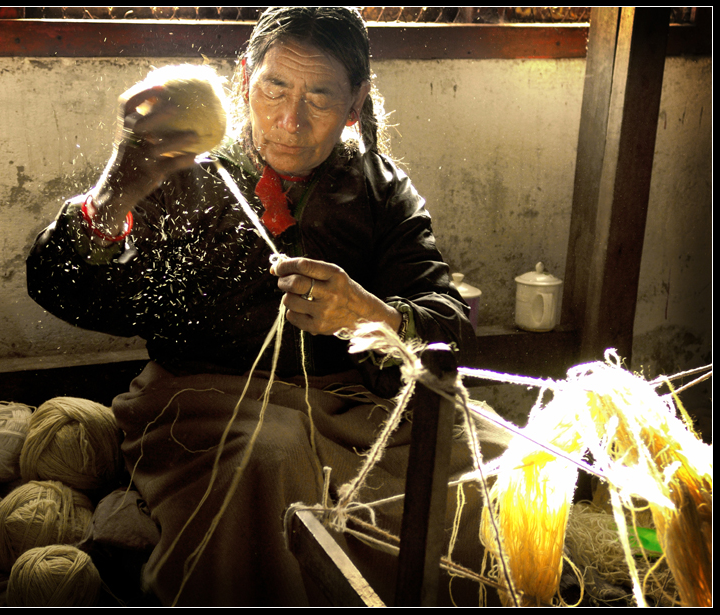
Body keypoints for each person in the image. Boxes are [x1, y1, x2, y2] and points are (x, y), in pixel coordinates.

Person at [27, 7, 493, 607]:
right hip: (207, 404)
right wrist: (110, 198)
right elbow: (59, 289)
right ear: (245, 76)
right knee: (271, 454)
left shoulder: (380, 188)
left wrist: (373, 316)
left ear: (355, 104)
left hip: (352, 410)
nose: (289, 120)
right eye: (274, 87)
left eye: (319, 97)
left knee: (488, 464)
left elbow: (448, 317)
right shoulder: (179, 172)